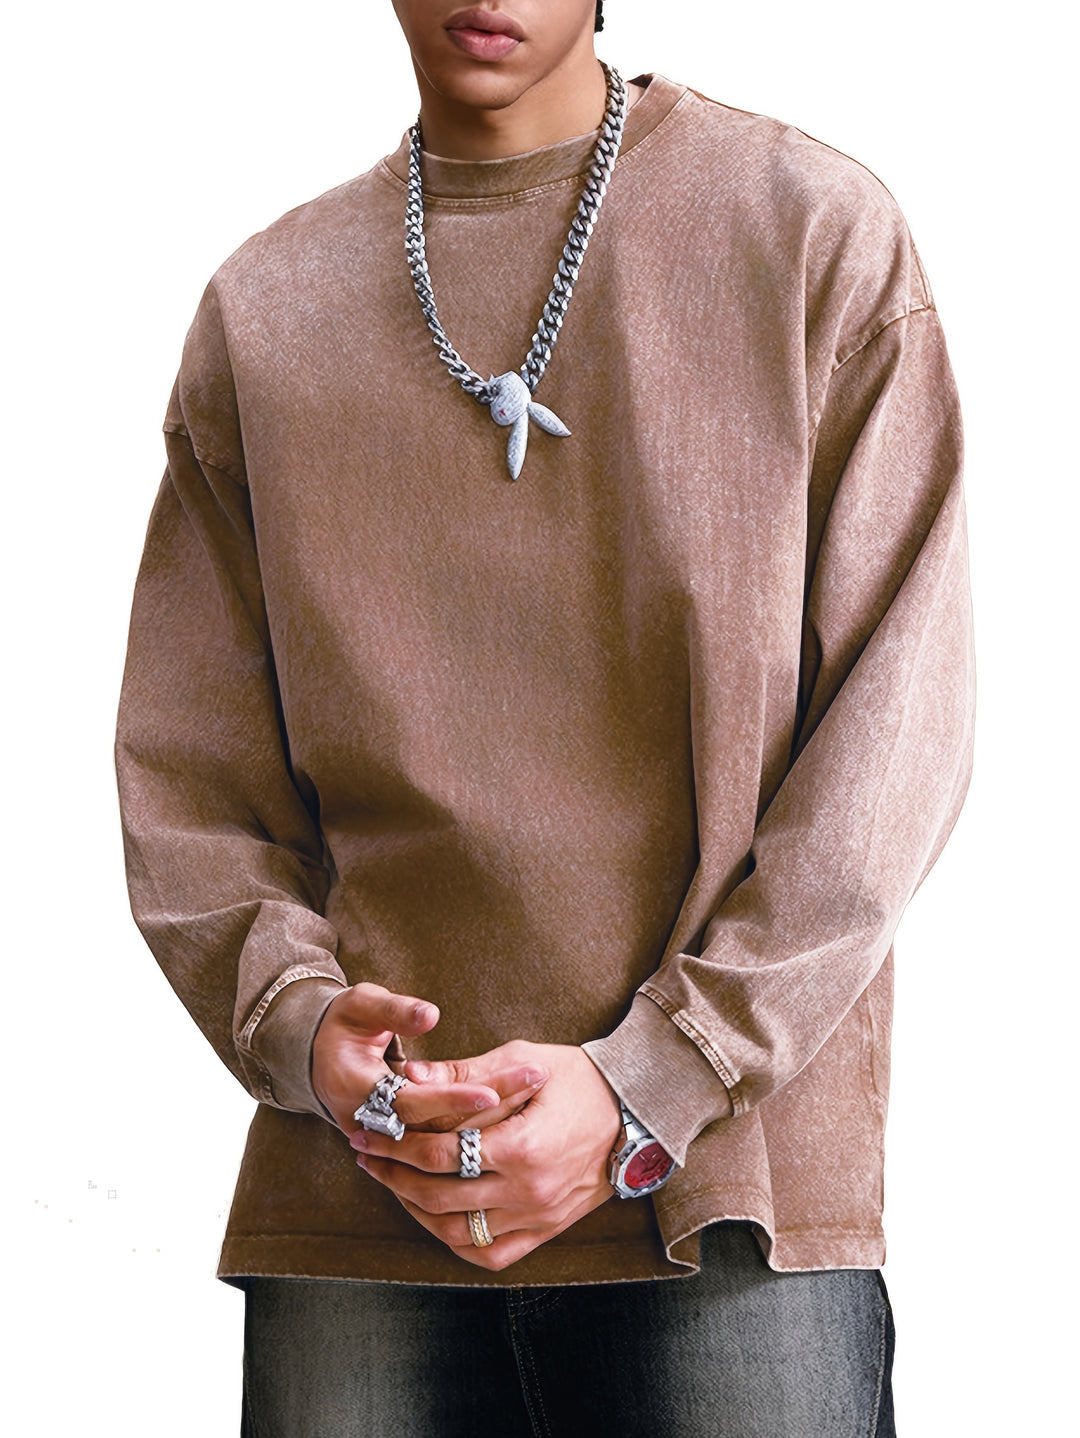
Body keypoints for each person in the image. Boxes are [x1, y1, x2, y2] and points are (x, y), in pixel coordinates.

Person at [115, 1, 974, 1432]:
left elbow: (898, 728)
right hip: (366, 1197)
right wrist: (304, 1026)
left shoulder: (811, 233)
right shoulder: (268, 309)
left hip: (725, 1207)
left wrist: (660, 1075)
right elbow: (188, 778)